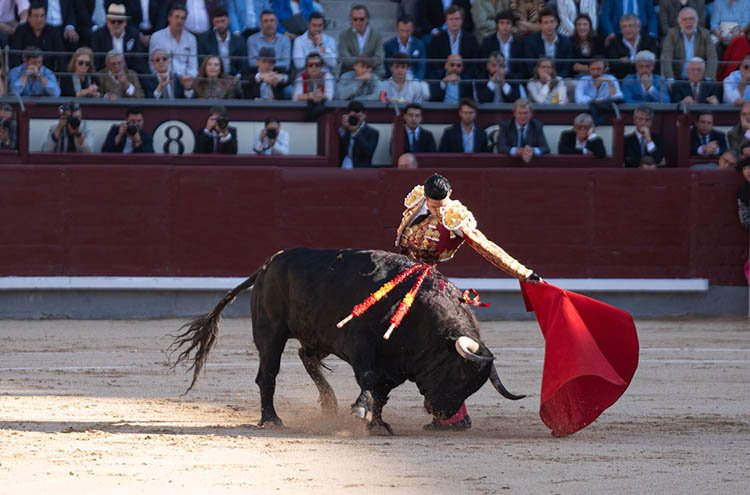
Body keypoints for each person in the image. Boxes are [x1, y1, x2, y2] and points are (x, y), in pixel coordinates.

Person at [395, 173, 541, 430]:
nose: (439, 209)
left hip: (429, 280)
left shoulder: (455, 217)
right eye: (434, 204)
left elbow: (486, 247)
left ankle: (451, 412)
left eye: (443, 204)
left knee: (439, 343)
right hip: (402, 275)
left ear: (449, 195)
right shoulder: (416, 200)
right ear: (426, 197)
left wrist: (523, 273)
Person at [662, 7, 718, 82]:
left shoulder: (705, 34)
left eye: (691, 18)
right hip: (678, 79)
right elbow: (666, 57)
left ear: (697, 20)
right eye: (684, 19)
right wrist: (670, 78)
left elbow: (712, 57)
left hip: (700, 80)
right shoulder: (672, 34)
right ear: (679, 22)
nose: (688, 22)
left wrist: (708, 78)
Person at [427, 5, 480, 79]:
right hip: (443, 78)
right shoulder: (437, 39)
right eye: (451, 19)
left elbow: (474, 63)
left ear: (462, 20)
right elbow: (434, 64)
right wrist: (446, 74)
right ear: (446, 21)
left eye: (457, 19)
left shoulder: (471, 39)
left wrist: (461, 77)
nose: (454, 22)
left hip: (465, 80)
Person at [91, 3, 147, 73]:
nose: (116, 24)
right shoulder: (98, 35)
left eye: (120, 21)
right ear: (107, 22)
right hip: (106, 75)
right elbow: (97, 62)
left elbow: (138, 61)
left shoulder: (133, 35)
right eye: (113, 21)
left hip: (129, 74)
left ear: (125, 23)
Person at [149, 4, 199, 83]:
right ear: (169, 18)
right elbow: (152, 65)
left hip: (186, 80)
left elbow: (193, 66)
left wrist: (188, 78)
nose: (179, 21)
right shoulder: (157, 37)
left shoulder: (191, 39)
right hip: (163, 79)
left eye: (182, 18)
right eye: (177, 17)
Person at [10, 1, 65, 71]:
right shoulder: (21, 31)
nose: (39, 20)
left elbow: (61, 57)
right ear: (29, 17)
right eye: (36, 16)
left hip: (47, 74)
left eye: (42, 16)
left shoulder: (53, 32)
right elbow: (15, 56)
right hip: (24, 73)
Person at [604, 14, 659, 80]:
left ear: (638, 27)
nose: (627, 29)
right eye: (624, 26)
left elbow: (653, 62)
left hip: (647, 77)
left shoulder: (650, 41)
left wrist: (628, 62)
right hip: (622, 79)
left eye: (630, 26)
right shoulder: (614, 42)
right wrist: (640, 62)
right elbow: (614, 66)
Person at [197, 6, 248, 77]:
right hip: (212, 77)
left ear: (228, 20)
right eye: (217, 22)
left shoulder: (239, 40)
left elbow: (243, 64)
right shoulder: (204, 40)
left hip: (233, 77)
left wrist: (238, 76)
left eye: (223, 21)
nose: (220, 25)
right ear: (213, 23)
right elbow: (202, 63)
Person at [521, 7, 572, 78]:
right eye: (546, 22)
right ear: (540, 25)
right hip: (537, 80)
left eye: (552, 21)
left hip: (559, 79)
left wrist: (556, 80)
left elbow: (566, 68)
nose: (549, 25)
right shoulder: (530, 41)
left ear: (556, 23)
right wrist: (542, 78)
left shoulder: (566, 42)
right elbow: (530, 66)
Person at [338, 5, 385, 77]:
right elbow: (345, 59)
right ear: (351, 20)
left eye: (361, 19)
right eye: (355, 19)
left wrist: (365, 65)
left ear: (367, 19)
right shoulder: (343, 36)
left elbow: (379, 58)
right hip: (351, 71)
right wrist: (361, 59)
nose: (358, 22)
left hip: (372, 71)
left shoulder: (377, 36)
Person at [478, 10, 523, 80]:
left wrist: (508, 76)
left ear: (512, 26)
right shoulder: (487, 42)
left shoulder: (519, 43)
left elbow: (521, 69)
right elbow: (482, 66)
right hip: (492, 78)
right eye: (501, 23)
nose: (505, 26)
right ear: (497, 25)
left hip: (512, 80)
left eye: (508, 23)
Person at [383, 15, 427, 81]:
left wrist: (416, 80)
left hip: (414, 78)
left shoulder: (419, 44)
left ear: (412, 29)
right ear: (397, 29)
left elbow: (422, 66)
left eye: (407, 31)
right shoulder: (389, 45)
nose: (404, 34)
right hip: (395, 79)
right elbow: (388, 67)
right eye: (402, 30)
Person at [338, 100, 379, 168]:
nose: (355, 119)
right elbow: (339, 150)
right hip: (344, 166)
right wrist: (343, 128)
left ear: (364, 115)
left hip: (361, 170)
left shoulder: (373, 133)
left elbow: (368, 153)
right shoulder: (345, 129)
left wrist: (356, 132)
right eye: (353, 117)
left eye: (358, 116)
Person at [736, 157, 750, 229]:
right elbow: (745, 220)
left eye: (749, 168)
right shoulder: (743, 190)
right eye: (744, 169)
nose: (747, 171)